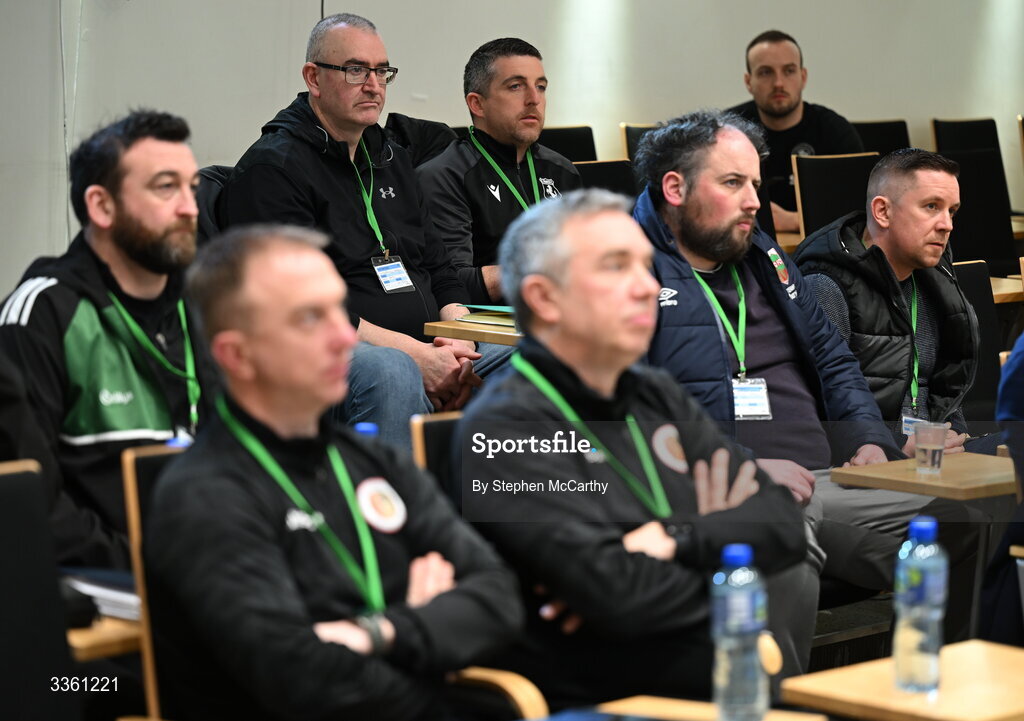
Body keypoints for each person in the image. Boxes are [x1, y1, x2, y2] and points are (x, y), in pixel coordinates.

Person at [146, 225, 522, 720]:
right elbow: (301, 679)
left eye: (338, 310)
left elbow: (499, 599)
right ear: (237, 355)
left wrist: (384, 631)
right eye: (309, 318)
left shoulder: (374, 460)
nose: (344, 336)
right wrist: (427, 626)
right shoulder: (204, 495)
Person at [456, 189, 812, 709]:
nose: (649, 287)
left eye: (647, 266)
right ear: (543, 297)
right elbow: (618, 599)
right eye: (616, 267)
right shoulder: (502, 430)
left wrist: (671, 537)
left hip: (714, 688)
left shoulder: (654, 392)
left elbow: (782, 525)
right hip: (603, 702)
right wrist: (724, 557)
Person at [632, 110, 981, 637]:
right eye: (733, 183)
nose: (754, 200)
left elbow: (834, 360)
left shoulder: (765, 258)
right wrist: (744, 466)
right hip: (727, 491)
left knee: (969, 526)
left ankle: (933, 697)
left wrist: (866, 439)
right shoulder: (625, 273)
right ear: (675, 188)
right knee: (781, 547)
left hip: (828, 480)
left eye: (754, 183)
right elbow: (625, 414)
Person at [218, 13, 509, 447]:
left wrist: (457, 336)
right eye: (356, 70)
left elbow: (440, 266)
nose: (373, 85)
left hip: (424, 343)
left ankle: (512, 506)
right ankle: (390, 514)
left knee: (534, 352)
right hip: (321, 354)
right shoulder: (275, 169)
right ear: (313, 78)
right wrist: (420, 356)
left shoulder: (389, 157)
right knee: (390, 371)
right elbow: (302, 308)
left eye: (381, 71)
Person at [0, 110, 217, 569]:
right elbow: (28, 501)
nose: (190, 208)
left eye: (192, 188)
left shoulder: (201, 309)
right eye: (165, 187)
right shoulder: (41, 314)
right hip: (100, 582)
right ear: (101, 206)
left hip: (206, 574)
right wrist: (142, 562)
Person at [794, 148, 997, 455]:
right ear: (883, 212)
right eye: (931, 207)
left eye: (951, 211)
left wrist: (956, 432)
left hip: (937, 453)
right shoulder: (826, 287)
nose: (947, 225)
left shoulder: (936, 281)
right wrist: (897, 444)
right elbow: (818, 408)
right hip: (874, 461)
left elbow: (944, 385)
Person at [417, 38, 581, 304]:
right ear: (477, 104)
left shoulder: (562, 170)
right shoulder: (444, 176)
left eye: (541, 87)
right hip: (490, 327)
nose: (534, 100)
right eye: (516, 87)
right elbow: (449, 283)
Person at [728, 30, 863, 232]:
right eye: (766, 72)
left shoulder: (834, 131)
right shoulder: (728, 132)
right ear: (749, 82)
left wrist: (793, 221)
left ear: (803, 76)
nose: (778, 83)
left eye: (789, 71)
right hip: (745, 249)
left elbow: (861, 210)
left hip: (819, 251)